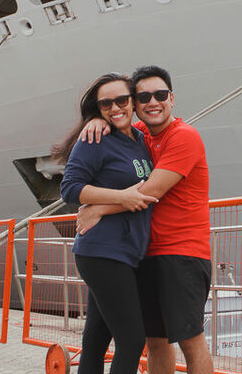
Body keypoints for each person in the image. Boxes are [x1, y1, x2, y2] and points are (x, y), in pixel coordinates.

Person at [77, 65, 212, 374]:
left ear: (172, 98)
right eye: (144, 97)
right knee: (155, 341)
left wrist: (98, 207)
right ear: (136, 104)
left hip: (183, 253)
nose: (153, 102)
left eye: (160, 95)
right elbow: (115, 118)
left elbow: (152, 191)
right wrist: (98, 119)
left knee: (191, 341)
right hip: (146, 254)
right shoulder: (139, 136)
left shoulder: (184, 136)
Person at [57, 73, 158, 374]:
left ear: (132, 101)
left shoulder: (141, 138)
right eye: (105, 104)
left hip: (126, 251)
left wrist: (107, 205)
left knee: (96, 339)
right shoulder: (96, 139)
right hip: (103, 251)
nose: (115, 108)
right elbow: (70, 188)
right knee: (131, 339)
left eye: (121, 100)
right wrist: (121, 197)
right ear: (97, 108)